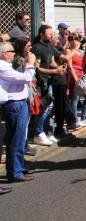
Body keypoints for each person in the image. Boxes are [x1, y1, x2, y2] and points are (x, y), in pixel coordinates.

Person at [0, 41, 36, 183]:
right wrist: (31, 64)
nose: (13, 53)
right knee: (16, 139)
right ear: (4, 54)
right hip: (14, 105)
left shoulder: (7, 66)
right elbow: (26, 78)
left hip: (19, 103)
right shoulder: (2, 66)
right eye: (11, 51)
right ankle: (15, 172)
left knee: (19, 138)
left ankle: (18, 167)